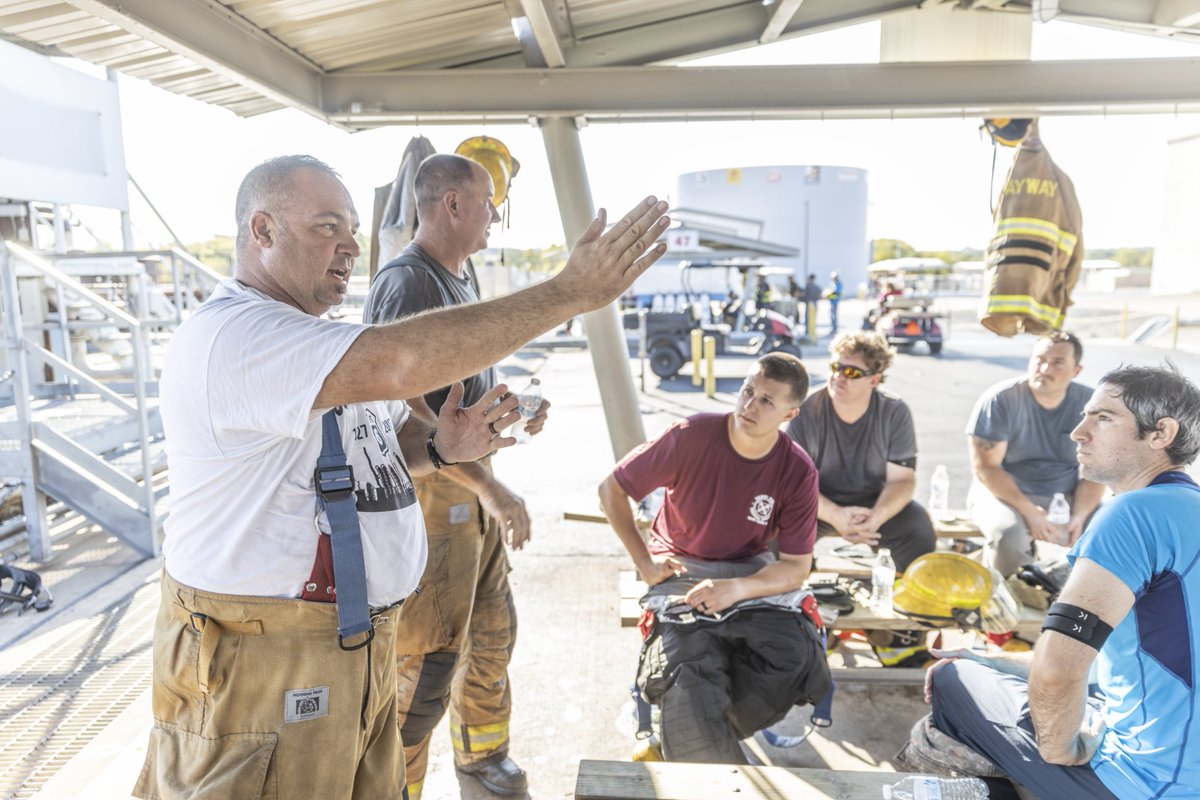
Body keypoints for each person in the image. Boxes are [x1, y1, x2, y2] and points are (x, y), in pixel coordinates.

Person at [133, 154, 669, 800]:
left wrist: (444, 444)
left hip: (350, 647)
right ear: (263, 232)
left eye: (352, 228)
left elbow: (389, 434)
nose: (349, 244)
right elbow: (401, 364)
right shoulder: (236, 337)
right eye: (326, 226)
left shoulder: (313, 337)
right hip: (264, 660)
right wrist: (568, 294)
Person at [925, 364, 1200, 799]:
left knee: (951, 678)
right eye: (1084, 415)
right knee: (993, 671)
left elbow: (1058, 671)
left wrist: (1063, 749)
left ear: (1160, 433)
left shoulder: (1134, 514)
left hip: (1143, 785)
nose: (1078, 432)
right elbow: (1138, 660)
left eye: (1103, 418)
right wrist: (996, 660)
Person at [361, 154, 546, 799]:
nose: (497, 214)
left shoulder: (455, 280)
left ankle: (481, 758)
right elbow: (412, 415)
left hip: (473, 502)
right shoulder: (409, 284)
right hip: (435, 503)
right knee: (427, 665)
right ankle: (396, 788)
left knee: (492, 635)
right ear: (452, 205)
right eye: (489, 201)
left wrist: (514, 409)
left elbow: (458, 400)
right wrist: (493, 489)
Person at [598, 353, 831, 764]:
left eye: (766, 402)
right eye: (747, 391)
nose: (748, 407)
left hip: (750, 570)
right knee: (688, 668)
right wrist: (646, 565)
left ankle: (691, 736)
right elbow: (610, 490)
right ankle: (700, 747)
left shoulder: (798, 471)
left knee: (796, 659)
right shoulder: (691, 434)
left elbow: (796, 568)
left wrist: (735, 589)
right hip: (681, 568)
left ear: (790, 413)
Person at [787, 331, 936, 665]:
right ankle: (796, 619)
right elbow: (794, 482)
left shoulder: (894, 412)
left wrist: (876, 517)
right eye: (836, 366)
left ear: (874, 380)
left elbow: (902, 480)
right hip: (816, 500)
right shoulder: (807, 410)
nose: (839, 376)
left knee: (918, 528)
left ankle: (901, 636)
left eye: (852, 372)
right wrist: (836, 515)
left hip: (875, 501)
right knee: (773, 532)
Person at [966, 331, 1105, 576]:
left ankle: (1082, 606)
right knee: (1008, 536)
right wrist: (1030, 512)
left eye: (1057, 362)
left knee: (1111, 533)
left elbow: (1095, 472)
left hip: (1067, 493)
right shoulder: (1001, 400)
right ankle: (1011, 603)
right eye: (1039, 359)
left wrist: (1079, 515)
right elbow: (986, 468)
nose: (1044, 367)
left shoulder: (1091, 406)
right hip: (1003, 492)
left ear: (1077, 370)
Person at [803, 273, 821, 341]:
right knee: (813, 321)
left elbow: (804, 295)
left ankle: (808, 334)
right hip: (815, 304)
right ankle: (813, 335)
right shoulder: (817, 287)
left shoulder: (808, 286)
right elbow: (820, 296)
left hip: (809, 304)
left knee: (808, 320)